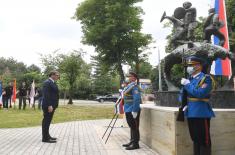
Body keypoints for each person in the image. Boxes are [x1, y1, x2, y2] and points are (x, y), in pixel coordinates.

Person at [180, 56, 215, 155]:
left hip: (201, 112)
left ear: (199, 66)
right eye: (188, 66)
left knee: (204, 139)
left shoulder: (206, 78)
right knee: (195, 138)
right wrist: (185, 105)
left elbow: (200, 93)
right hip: (190, 111)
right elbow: (182, 94)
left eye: (191, 65)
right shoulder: (189, 79)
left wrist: (187, 84)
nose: (189, 67)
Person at [122, 72, 142, 150]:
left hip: (132, 109)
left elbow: (137, 99)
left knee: (134, 126)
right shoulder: (129, 86)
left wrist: (135, 110)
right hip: (128, 109)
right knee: (131, 126)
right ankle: (132, 141)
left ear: (134, 77)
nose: (128, 78)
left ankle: (135, 144)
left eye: (129, 76)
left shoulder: (135, 87)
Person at [42, 70, 60, 143]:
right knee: (46, 121)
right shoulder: (47, 83)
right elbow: (46, 95)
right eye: (57, 75)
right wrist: (49, 105)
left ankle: (47, 136)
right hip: (48, 106)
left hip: (52, 105)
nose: (58, 76)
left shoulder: (52, 82)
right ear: (52, 75)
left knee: (48, 121)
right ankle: (45, 138)